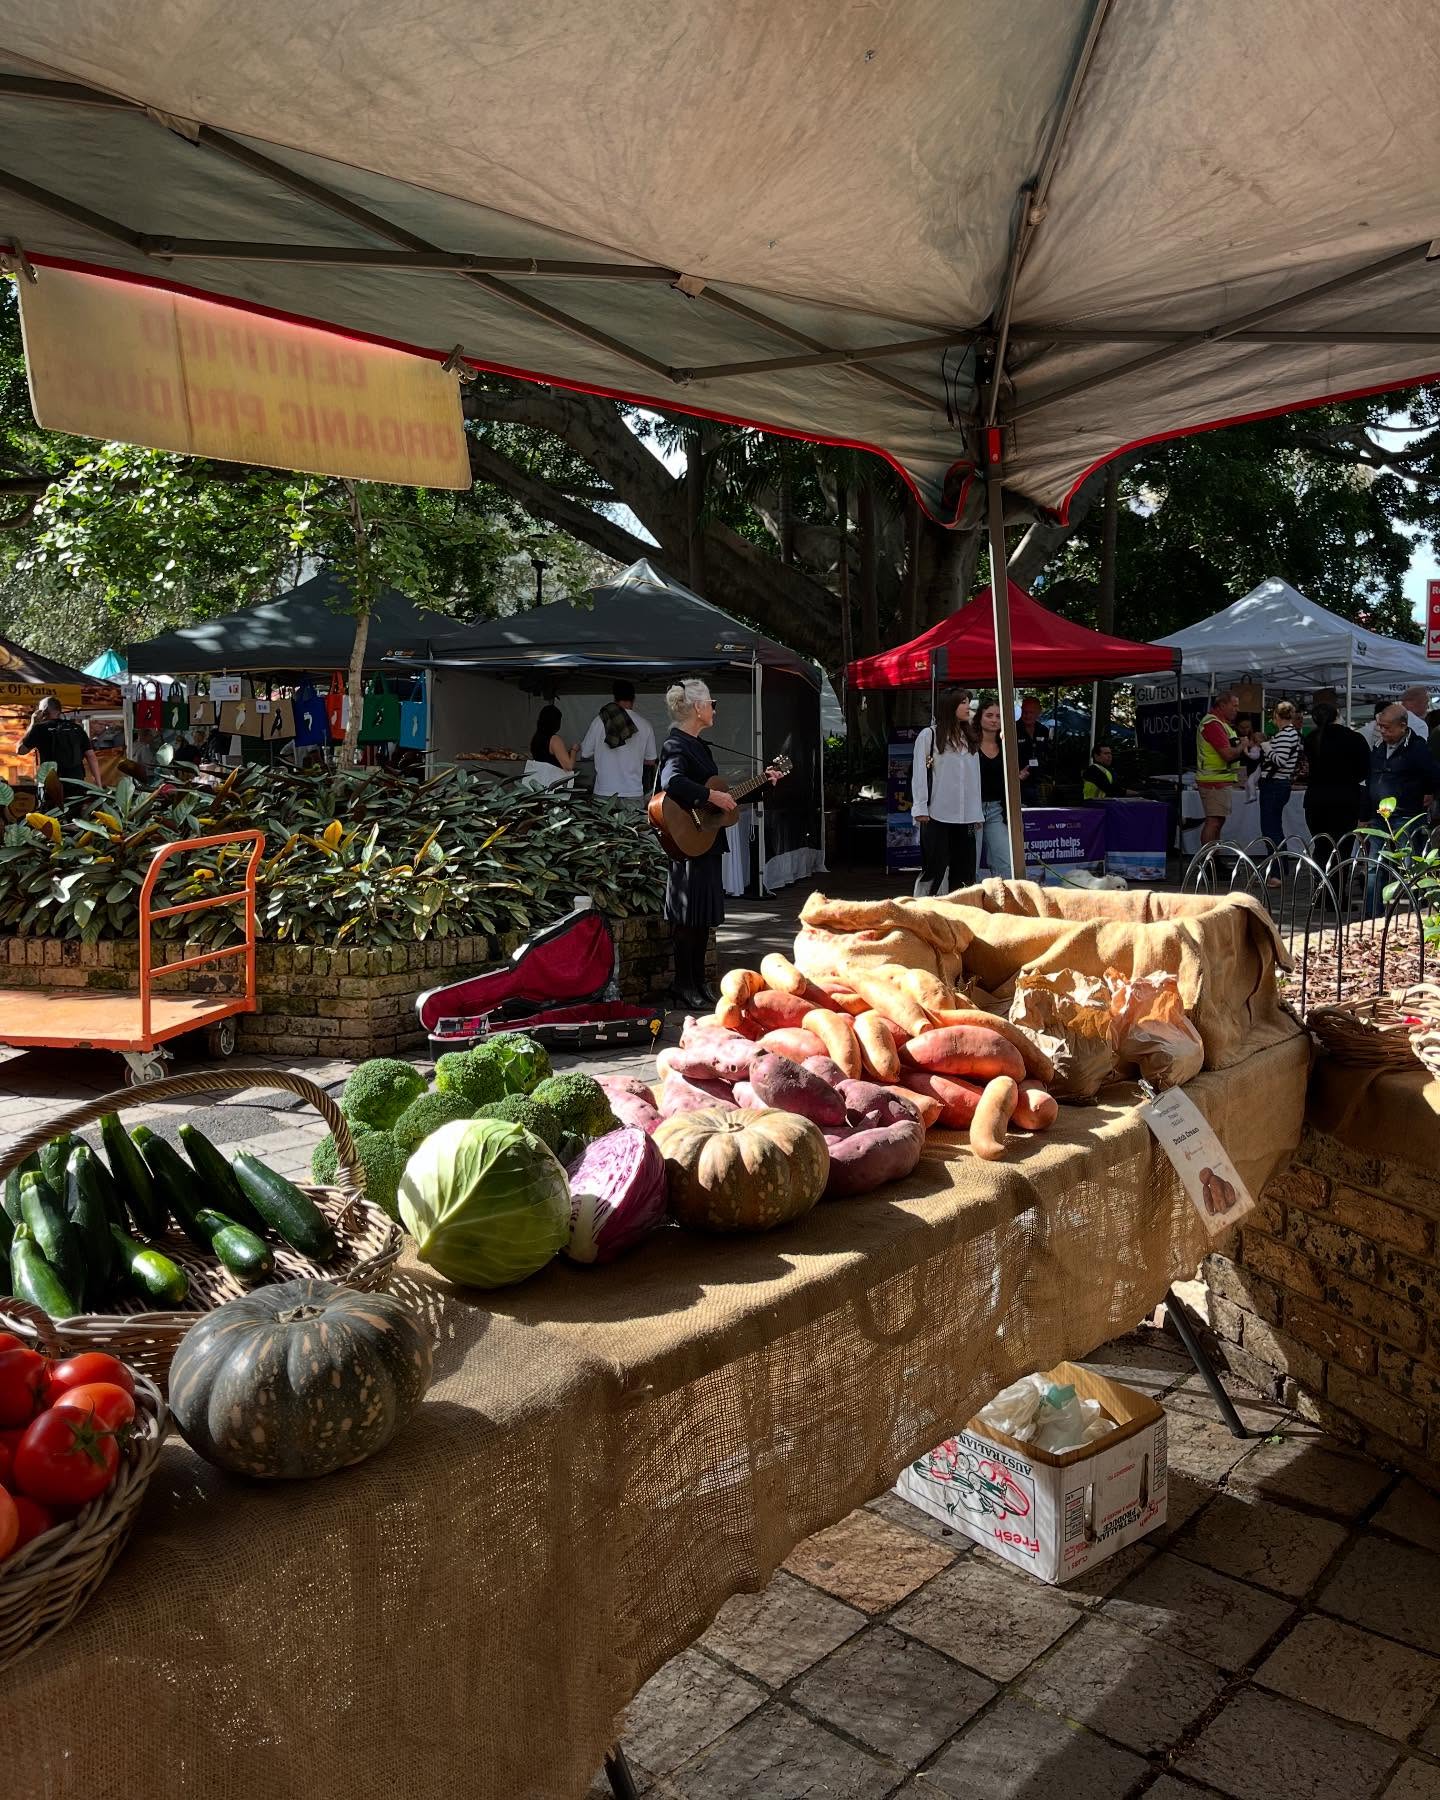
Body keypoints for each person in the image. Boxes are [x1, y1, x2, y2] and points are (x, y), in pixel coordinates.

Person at [658, 678, 777, 1009]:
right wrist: (710, 794)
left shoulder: (701, 746)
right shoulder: (676, 744)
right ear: (698, 707)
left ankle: (697, 982)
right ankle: (683, 985)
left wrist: (764, 783)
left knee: (700, 918)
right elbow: (673, 781)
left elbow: (725, 799)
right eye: (712, 703)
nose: (714, 709)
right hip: (687, 840)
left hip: (706, 839)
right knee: (687, 916)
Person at [1365, 704, 1440, 915]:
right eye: (1380, 727)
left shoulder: (1417, 748)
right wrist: (1364, 816)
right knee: (1374, 866)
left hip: (1405, 815)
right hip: (1380, 816)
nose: (1383, 731)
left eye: (1387, 727)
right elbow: (1370, 780)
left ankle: (1418, 912)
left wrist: (1429, 792)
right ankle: (1372, 914)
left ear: (1402, 727)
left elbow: (1434, 774)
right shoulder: (1379, 747)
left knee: (1409, 866)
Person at [911, 687, 981, 894]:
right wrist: (920, 807)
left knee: (965, 871)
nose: (968, 706)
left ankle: (961, 914)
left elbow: (974, 778)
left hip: (966, 815)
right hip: (936, 814)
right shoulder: (929, 735)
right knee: (934, 869)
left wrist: (976, 812)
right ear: (950, 706)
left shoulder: (970, 738)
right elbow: (919, 773)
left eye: (969, 701)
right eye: (963, 702)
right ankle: (920, 913)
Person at [1302, 702, 1368, 863]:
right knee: (1343, 849)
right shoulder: (1355, 738)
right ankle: (1338, 885)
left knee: (1321, 846)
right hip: (1346, 799)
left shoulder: (1311, 738)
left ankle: (1322, 884)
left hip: (1316, 799)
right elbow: (1365, 770)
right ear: (1337, 715)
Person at [579, 678, 656, 801]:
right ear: (633, 699)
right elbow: (651, 761)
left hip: (604, 790)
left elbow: (585, 753)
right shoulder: (645, 725)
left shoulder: (599, 721)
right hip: (632, 792)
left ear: (614, 698)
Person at [17, 695, 101, 802]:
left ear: (44, 711)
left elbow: (20, 750)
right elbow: (91, 756)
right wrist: (98, 784)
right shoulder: (76, 728)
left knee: (51, 816)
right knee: (73, 813)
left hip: (51, 782)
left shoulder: (39, 729)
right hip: (76, 782)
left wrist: (33, 724)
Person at [1195, 690, 1244, 846]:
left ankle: (1213, 858)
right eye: (1234, 706)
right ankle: (1208, 862)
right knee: (1214, 822)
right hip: (1213, 781)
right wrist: (1243, 746)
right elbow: (1228, 755)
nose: (1237, 709)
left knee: (1217, 821)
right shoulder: (1213, 724)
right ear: (1222, 705)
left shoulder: (1221, 724)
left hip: (1218, 780)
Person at [1257, 700, 1303, 856]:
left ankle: (1277, 873)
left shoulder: (1285, 734)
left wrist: (1266, 745)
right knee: (1274, 827)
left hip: (1274, 784)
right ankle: (1279, 870)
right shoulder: (1291, 733)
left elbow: (1280, 761)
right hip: (1278, 784)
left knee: (1271, 829)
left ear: (1277, 715)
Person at [974, 697, 1013, 878]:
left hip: (996, 809)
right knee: (970, 861)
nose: (994, 720)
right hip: (972, 810)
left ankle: (1007, 901)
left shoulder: (1006, 745)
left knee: (1005, 860)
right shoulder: (969, 743)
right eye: (989, 715)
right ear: (979, 717)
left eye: (998, 716)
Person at [1016, 695, 1051, 801]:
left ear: (1039, 712)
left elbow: (1047, 752)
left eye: (1031, 712)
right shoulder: (1013, 729)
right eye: (1025, 712)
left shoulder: (1043, 730)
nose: (1027, 715)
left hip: (1039, 780)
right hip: (1020, 781)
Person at [528, 703, 577, 773]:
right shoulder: (554, 739)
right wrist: (574, 750)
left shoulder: (536, 737)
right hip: (553, 780)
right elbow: (569, 766)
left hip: (539, 778)